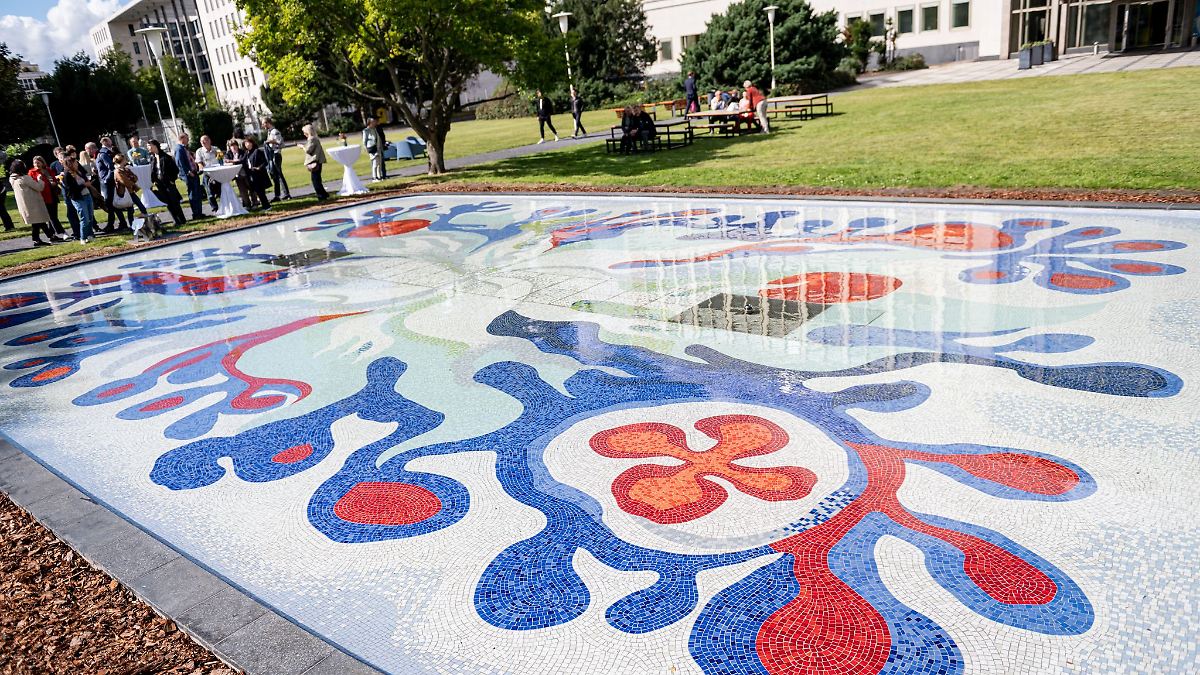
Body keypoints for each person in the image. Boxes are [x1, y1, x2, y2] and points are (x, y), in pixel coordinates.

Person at [8, 160, 57, 246]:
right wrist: (39, 180)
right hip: (33, 202)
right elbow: (39, 187)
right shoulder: (25, 178)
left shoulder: (12, 179)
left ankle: (50, 236)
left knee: (38, 221)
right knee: (37, 221)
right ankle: (37, 239)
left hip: (24, 204)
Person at [28, 156, 70, 241]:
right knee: (52, 217)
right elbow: (33, 185)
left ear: (42, 162)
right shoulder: (32, 172)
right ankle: (62, 232)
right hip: (42, 197)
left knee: (53, 216)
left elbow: (54, 179)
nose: (37, 164)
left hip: (52, 194)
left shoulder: (48, 170)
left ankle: (52, 235)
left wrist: (54, 183)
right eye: (35, 163)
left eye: (38, 162)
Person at [147, 139, 187, 226]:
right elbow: (153, 171)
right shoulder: (152, 158)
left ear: (155, 146)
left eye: (149, 146)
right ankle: (176, 220)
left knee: (174, 201)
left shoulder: (166, 157)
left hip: (168, 182)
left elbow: (175, 170)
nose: (148, 148)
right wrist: (154, 181)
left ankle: (182, 220)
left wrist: (172, 180)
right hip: (159, 183)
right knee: (167, 202)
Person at [61, 153, 97, 242]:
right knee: (84, 218)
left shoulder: (78, 172)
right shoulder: (67, 175)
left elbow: (85, 179)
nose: (77, 164)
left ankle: (90, 235)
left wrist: (88, 182)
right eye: (75, 163)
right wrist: (84, 185)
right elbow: (71, 189)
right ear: (70, 164)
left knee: (90, 217)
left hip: (87, 195)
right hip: (78, 198)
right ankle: (83, 238)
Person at [51, 147, 80, 239]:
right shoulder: (55, 165)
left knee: (74, 212)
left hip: (73, 192)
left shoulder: (72, 165)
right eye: (59, 158)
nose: (60, 161)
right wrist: (58, 177)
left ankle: (81, 232)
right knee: (72, 213)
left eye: (62, 158)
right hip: (66, 192)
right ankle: (78, 232)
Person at [175, 133, 205, 220]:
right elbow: (179, 162)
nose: (188, 140)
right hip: (189, 174)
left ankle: (199, 213)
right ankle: (196, 213)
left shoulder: (184, 148)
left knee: (197, 193)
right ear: (182, 139)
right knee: (193, 193)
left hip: (194, 173)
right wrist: (188, 172)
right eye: (187, 139)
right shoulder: (179, 149)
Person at [96, 136, 123, 233]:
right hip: (107, 180)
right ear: (105, 142)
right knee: (111, 203)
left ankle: (111, 225)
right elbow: (110, 166)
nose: (111, 142)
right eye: (110, 141)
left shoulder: (104, 153)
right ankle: (120, 222)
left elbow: (111, 167)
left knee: (110, 203)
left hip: (107, 181)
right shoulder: (104, 153)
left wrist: (106, 179)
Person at [262, 118, 291, 201]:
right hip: (271, 155)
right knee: (274, 175)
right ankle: (277, 195)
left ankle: (286, 194)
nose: (262, 125)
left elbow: (280, 143)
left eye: (263, 123)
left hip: (276, 155)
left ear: (268, 123)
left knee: (279, 174)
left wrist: (271, 141)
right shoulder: (269, 132)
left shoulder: (275, 131)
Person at [242, 137, 272, 211]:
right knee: (258, 191)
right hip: (252, 175)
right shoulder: (247, 153)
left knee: (261, 191)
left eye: (248, 143)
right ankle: (265, 205)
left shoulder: (257, 151)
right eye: (245, 143)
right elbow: (242, 161)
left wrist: (259, 168)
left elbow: (265, 162)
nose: (247, 145)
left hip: (259, 175)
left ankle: (267, 206)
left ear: (252, 143)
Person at [194, 135, 222, 211]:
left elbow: (221, 159)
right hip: (207, 173)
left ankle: (224, 206)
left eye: (204, 140)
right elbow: (199, 163)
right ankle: (215, 208)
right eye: (201, 141)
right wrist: (202, 168)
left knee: (221, 190)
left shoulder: (216, 149)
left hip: (218, 172)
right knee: (210, 193)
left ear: (209, 141)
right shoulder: (199, 151)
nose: (203, 142)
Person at [302, 124, 329, 201]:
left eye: (304, 132)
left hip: (315, 161)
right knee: (318, 179)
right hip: (318, 160)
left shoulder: (312, 139)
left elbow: (308, 150)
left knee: (315, 180)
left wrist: (302, 147)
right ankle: (324, 194)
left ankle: (321, 195)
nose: (304, 134)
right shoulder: (315, 138)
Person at [224, 138, 253, 209]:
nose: (233, 147)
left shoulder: (242, 152)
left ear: (237, 146)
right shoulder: (228, 153)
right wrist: (233, 161)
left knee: (251, 188)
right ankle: (247, 205)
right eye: (231, 146)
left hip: (246, 173)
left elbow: (242, 160)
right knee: (242, 191)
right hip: (237, 175)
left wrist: (231, 161)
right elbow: (225, 161)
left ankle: (255, 202)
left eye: (235, 145)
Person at [362, 117, 387, 182]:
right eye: (373, 122)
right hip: (372, 148)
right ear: (369, 123)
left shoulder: (375, 129)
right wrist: (366, 148)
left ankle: (379, 177)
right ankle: (374, 177)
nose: (375, 123)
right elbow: (364, 141)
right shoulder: (366, 130)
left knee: (379, 164)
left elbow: (379, 138)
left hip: (378, 148)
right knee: (375, 163)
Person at [0, 149, 15, 233]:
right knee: (1, 209)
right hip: (2, 189)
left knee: (1, 209)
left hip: (1, 190)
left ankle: (9, 226)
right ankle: (9, 226)